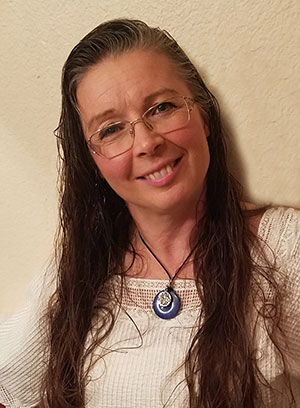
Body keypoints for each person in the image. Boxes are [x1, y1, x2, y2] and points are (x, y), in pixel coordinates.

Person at [0, 18, 299, 408]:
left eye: (162, 107)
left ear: (203, 116)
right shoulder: (78, 266)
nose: (145, 142)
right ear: (92, 159)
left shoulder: (282, 249)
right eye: (110, 130)